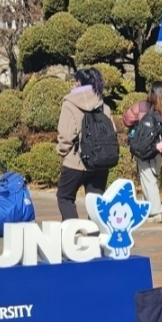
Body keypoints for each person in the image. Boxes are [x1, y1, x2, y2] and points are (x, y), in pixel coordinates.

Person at [55, 68, 114, 220]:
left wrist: (62, 151)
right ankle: (94, 236)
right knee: (95, 203)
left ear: (79, 83)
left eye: (74, 82)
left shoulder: (70, 103)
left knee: (65, 197)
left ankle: (74, 233)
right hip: (100, 162)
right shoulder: (103, 105)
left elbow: (66, 135)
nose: (72, 85)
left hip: (76, 161)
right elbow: (111, 131)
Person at [122, 83, 162, 222]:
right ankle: (148, 208)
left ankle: (155, 212)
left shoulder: (141, 106)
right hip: (159, 149)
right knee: (150, 179)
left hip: (144, 148)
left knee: (148, 180)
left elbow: (127, 119)